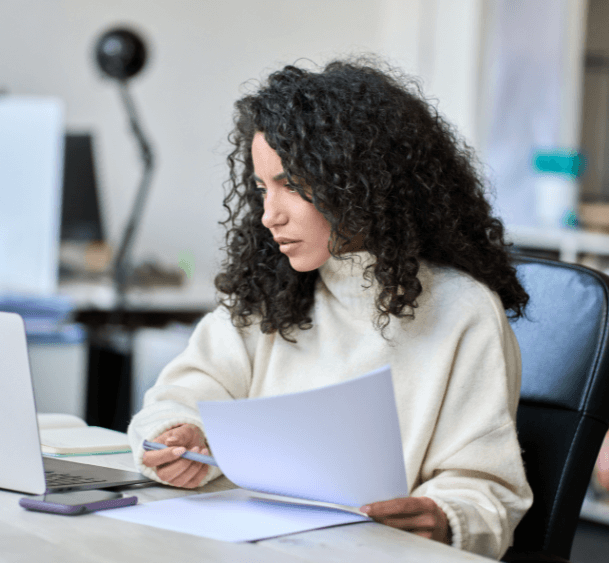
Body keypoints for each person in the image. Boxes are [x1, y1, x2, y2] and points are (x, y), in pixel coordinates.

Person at [127, 58, 533, 559]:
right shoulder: (271, 291)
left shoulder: (463, 311)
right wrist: (177, 436)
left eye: (293, 184)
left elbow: (484, 489)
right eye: (260, 189)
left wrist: (448, 519)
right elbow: (180, 395)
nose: (269, 215)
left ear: (362, 182)